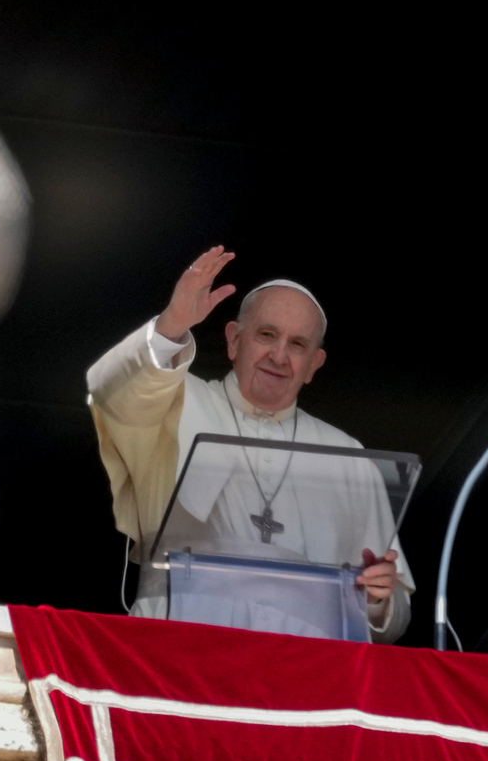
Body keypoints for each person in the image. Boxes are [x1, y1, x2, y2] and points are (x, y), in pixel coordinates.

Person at [87, 246, 414, 642]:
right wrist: (173, 324)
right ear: (233, 340)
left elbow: (391, 623)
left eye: (297, 345)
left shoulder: (350, 457)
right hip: (177, 645)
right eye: (266, 335)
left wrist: (379, 599)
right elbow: (109, 390)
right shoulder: (174, 400)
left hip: (304, 668)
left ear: (314, 364)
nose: (279, 355)